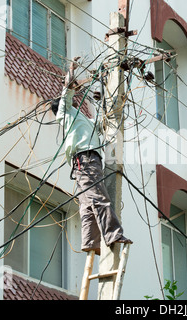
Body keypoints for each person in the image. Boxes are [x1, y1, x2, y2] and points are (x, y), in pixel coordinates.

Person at [51, 57, 131, 256]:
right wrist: (71, 69)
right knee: (99, 197)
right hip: (85, 159)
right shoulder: (65, 113)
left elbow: (102, 121)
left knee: (87, 204)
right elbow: (68, 90)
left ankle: (90, 241)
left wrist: (110, 95)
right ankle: (112, 234)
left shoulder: (82, 118)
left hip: (86, 161)